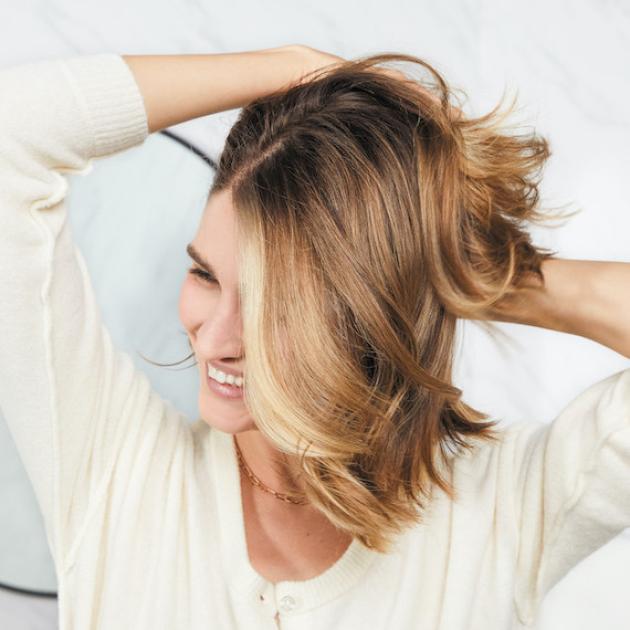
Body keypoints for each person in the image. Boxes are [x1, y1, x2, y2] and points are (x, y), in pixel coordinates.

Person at [0, 43, 628, 630]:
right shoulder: (117, 473)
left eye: (276, 308)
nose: (215, 340)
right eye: (205, 275)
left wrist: (457, 272)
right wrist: (295, 65)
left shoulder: (507, 508)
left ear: (368, 313)